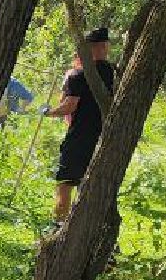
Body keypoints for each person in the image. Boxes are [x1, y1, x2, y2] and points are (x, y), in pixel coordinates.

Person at [47, 27, 115, 223]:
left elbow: (68, 106)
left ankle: (59, 227)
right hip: (106, 137)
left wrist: (49, 111)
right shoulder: (115, 73)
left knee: (65, 182)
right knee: (96, 186)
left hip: (80, 138)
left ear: (91, 48)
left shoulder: (78, 76)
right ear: (105, 47)